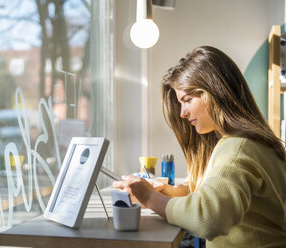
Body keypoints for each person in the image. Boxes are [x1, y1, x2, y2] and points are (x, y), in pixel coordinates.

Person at [113, 46, 286, 247]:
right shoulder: (253, 143)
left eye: (187, 100)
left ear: (216, 92)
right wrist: (172, 193)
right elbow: (225, 197)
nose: (182, 113)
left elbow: (208, 219)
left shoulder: (238, 148)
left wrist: (150, 198)